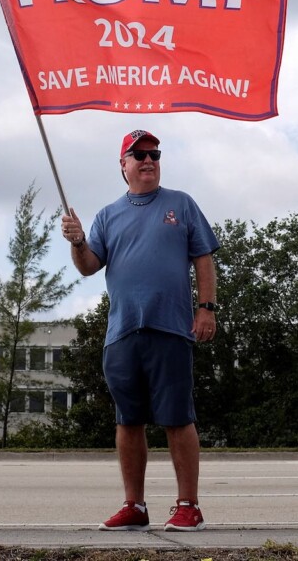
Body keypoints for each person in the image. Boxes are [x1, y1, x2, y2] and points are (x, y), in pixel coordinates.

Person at [61, 129, 219, 532]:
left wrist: (206, 309)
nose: (149, 160)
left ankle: (189, 506)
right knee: (128, 420)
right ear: (123, 165)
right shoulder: (107, 215)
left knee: (177, 417)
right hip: (122, 332)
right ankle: (134, 505)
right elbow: (89, 265)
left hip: (171, 328)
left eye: (154, 154)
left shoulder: (181, 204)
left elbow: (203, 258)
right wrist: (78, 242)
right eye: (140, 154)